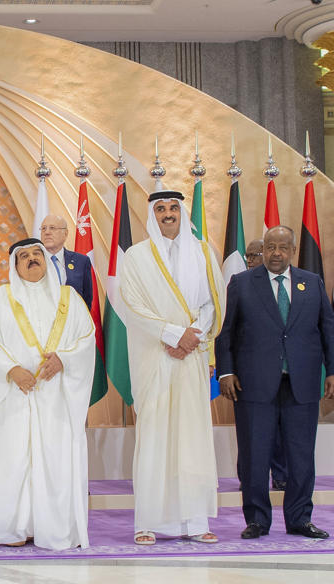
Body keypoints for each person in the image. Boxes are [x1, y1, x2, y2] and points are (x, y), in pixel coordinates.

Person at [0, 238, 95, 550]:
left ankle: (51, 528)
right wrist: (11, 369)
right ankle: (10, 529)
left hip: (55, 397)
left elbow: (86, 338)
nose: (33, 259)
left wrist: (64, 359)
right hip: (13, 395)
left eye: (38, 254)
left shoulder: (69, 298)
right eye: (25, 256)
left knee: (54, 460)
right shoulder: (1, 298)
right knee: (11, 461)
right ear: (15, 264)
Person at [216, 225, 334, 540]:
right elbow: (227, 332)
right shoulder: (242, 283)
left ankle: (299, 519)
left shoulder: (311, 283)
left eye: (282, 248)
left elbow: (328, 330)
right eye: (270, 247)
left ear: (292, 250)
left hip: (302, 385)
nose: (275, 253)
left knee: (301, 457)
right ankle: (257, 520)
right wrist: (226, 372)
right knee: (255, 455)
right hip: (253, 385)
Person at [120, 191, 225, 545]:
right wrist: (171, 334)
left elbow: (213, 301)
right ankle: (147, 521)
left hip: (191, 355)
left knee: (192, 436)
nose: (168, 214)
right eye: (161, 209)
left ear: (183, 213)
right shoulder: (136, 257)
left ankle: (195, 521)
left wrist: (191, 336)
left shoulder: (202, 252)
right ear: (153, 214)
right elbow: (130, 305)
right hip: (155, 356)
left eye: (174, 208)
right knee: (154, 436)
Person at [235, 239, 287, 491]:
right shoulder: (241, 285)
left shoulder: (290, 284)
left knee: (280, 432)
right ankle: (248, 478)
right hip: (251, 374)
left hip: (285, 374)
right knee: (251, 433)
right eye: (249, 255)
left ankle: (281, 475)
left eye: (255, 254)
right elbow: (230, 332)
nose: (251, 259)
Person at [39, 214, 93, 307]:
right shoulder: (34, 262)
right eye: (43, 228)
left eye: (52, 228)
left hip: (73, 319)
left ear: (65, 233)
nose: (47, 232)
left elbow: (86, 299)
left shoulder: (81, 261)